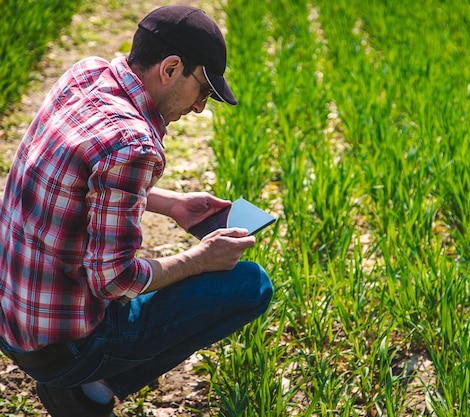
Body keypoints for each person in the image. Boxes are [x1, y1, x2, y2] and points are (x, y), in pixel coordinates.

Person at [0, 5, 273, 417]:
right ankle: (88, 387)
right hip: (60, 348)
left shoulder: (87, 74)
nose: (200, 107)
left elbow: (77, 180)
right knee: (250, 286)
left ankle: (76, 380)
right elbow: (115, 281)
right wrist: (199, 259)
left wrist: (170, 204)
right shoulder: (134, 145)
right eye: (203, 89)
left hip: (12, 317)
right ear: (171, 68)